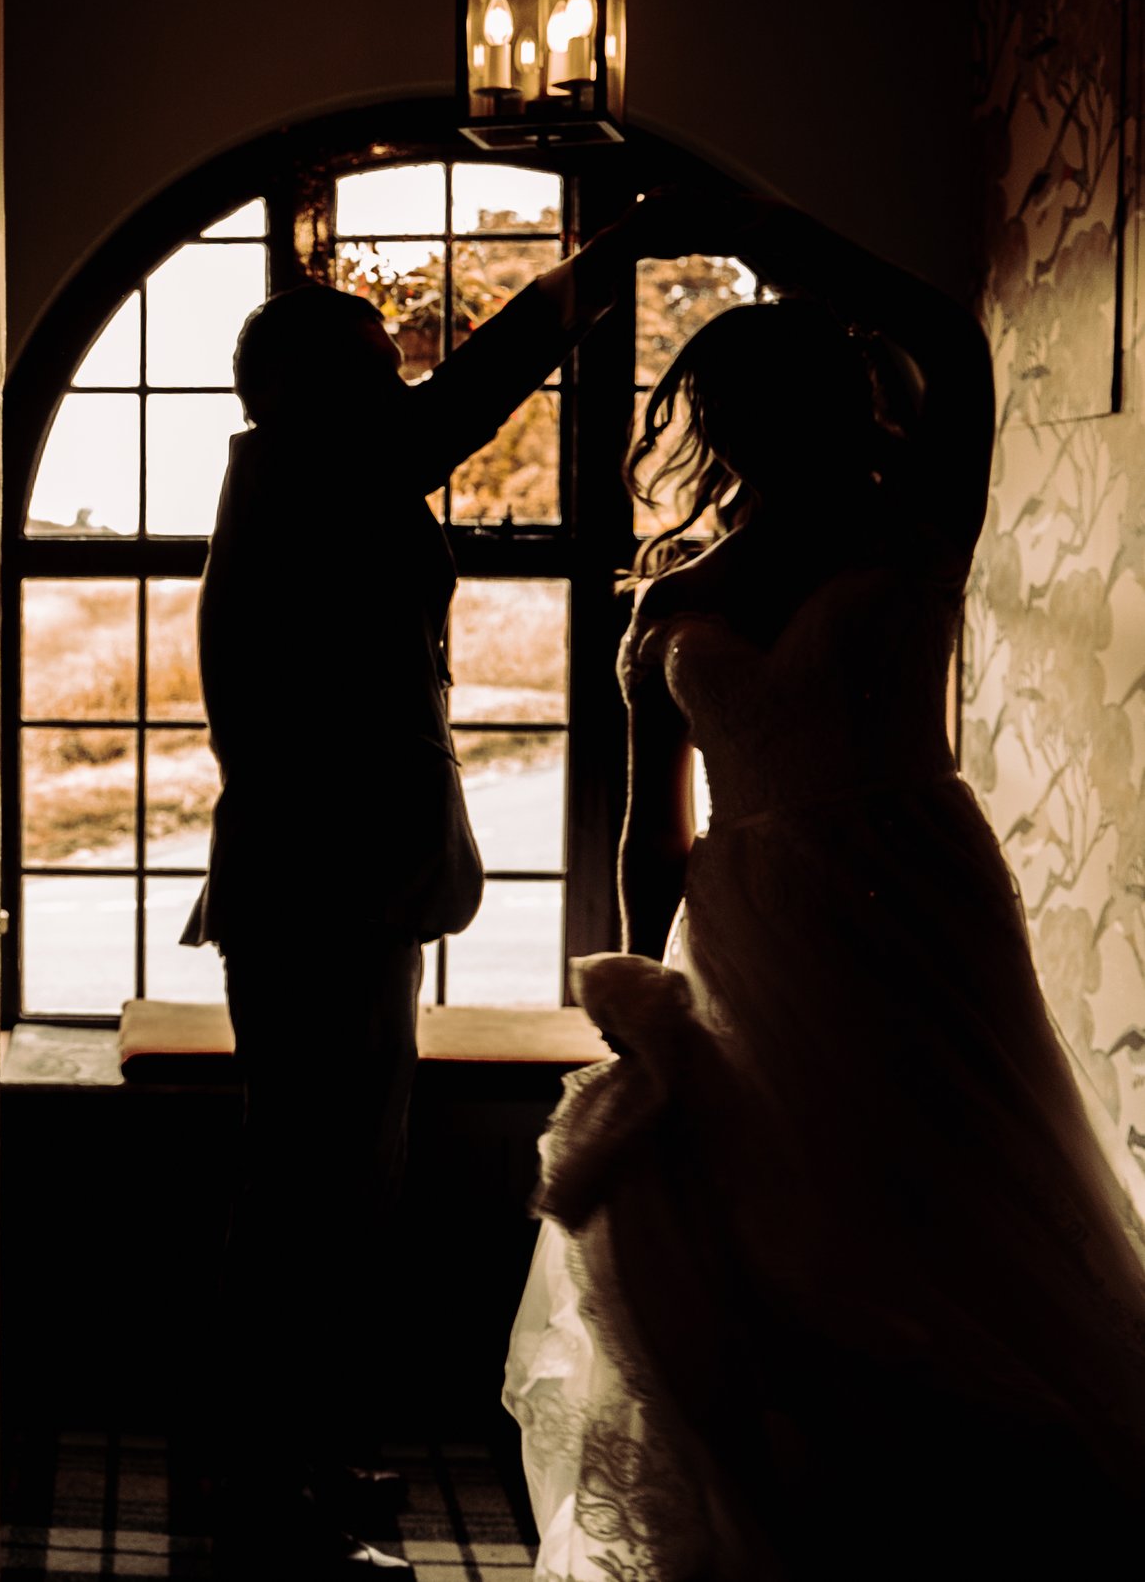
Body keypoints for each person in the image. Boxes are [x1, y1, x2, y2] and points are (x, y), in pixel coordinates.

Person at [502, 196, 1145, 1577]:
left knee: (952, 1180)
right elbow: (651, 829)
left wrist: (750, 217)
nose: (757, 425)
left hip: (916, 897)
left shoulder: (917, 525)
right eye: (738, 405)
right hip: (751, 928)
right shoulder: (672, 597)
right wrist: (646, 1006)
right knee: (782, 1212)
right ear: (717, 422)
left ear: (839, 401)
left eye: (787, 397)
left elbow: (947, 341)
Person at [189, 195, 709, 1577]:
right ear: (303, 384)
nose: (397, 383)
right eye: (373, 362)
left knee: (335, 1183)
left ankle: (294, 1457)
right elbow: (476, 394)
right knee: (311, 1191)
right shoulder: (320, 469)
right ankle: (268, 1487)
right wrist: (607, 262)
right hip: (321, 890)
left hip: (337, 883)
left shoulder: (310, 472)